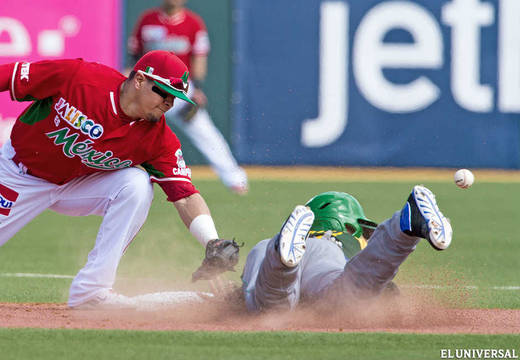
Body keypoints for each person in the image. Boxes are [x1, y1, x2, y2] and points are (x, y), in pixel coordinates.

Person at [0, 50, 227, 309]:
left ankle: (91, 292)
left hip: (77, 186)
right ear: (140, 80)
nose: (168, 104)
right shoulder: (80, 78)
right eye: (163, 93)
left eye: (174, 99)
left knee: (137, 184)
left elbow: (185, 195)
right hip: (18, 175)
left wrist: (212, 242)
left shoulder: (157, 138)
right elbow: (8, 77)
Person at [240, 185, 453, 312]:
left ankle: (281, 260)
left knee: (269, 305)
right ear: (347, 225)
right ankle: (402, 228)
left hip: (269, 249)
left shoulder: (265, 246)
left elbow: (236, 299)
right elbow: (379, 289)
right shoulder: (342, 242)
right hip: (326, 255)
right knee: (345, 298)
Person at [128, 0, 249, 194]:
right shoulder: (147, 20)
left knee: (205, 133)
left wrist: (198, 88)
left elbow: (199, 57)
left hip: (180, 91)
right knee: (127, 129)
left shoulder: (193, 23)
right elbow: (135, 56)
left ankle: (235, 178)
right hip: (149, 91)